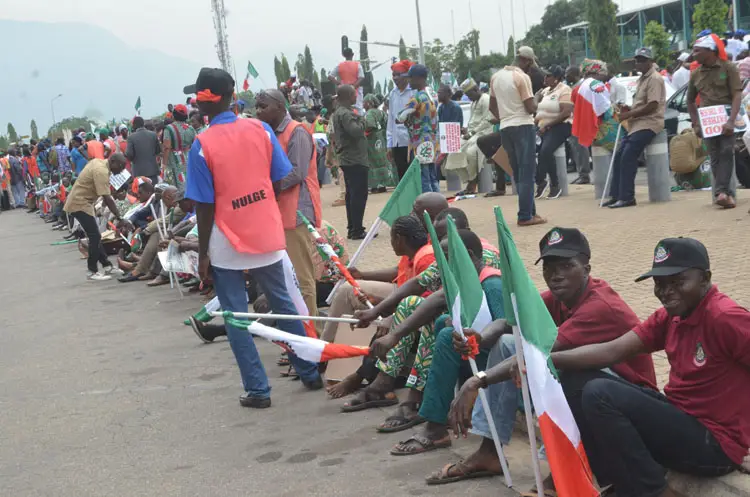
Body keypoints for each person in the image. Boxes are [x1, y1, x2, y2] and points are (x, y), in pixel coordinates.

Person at [438, 228, 658, 489]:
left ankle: (559, 470)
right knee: (506, 343)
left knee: (556, 369)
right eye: (550, 268)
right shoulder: (562, 296)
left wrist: (477, 380)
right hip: (598, 388)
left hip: (631, 398)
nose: (556, 275)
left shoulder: (600, 305)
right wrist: (481, 338)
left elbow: (538, 354)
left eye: (567, 266)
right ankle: (490, 451)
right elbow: (508, 322)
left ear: (586, 268)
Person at [535, 237, 750, 497]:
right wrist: (545, 360)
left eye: (678, 282)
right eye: (660, 283)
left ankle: (655, 492)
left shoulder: (724, 317)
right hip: (681, 420)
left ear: (705, 279)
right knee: (575, 381)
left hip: (715, 444)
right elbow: (613, 350)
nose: (666, 291)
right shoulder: (672, 315)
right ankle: (615, 483)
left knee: (601, 394)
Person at [184, 67, 323, 408]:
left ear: (204, 102)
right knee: (284, 304)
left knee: (235, 315)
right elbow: (279, 178)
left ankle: (258, 390)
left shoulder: (202, 144)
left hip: (225, 240)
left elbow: (203, 206)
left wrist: (203, 254)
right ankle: (309, 371)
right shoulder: (261, 130)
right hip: (266, 231)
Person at [255, 88, 323, 330]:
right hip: (277, 212)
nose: (258, 111)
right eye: (257, 106)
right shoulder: (268, 133)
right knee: (286, 278)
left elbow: (297, 173)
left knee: (301, 278)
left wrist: (264, 189)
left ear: (280, 106)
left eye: (263, 106)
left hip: (296, 212)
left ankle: (310, 335)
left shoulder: (297, 132)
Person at [601, 48, 666, 209]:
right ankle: (616, 195)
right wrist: (628, 109)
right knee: (619, 155)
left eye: (642, 60)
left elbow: (652, 105)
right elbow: (641, 104)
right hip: (636, 124)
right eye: (637, 60)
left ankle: (627, 197)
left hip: (650, 122)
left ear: (650, 62)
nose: (638, 63)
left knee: (628, 155)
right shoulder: (641, 79)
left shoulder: (655, 79)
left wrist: (629, 114)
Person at [688, 35, 743, 209]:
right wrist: (695, 123)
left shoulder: (728, 68)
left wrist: (731, 121)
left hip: (726, 117)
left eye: (698, 50)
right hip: (707, 120)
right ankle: (724, 194)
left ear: (710, 51)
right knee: (714, 155)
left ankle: (722, 192)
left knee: (726, 151)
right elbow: (690, 101)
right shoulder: (696, 73)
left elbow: (736, 95)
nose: (693, 54)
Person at [490, 53, 545, 226]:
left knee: (518, 173)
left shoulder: (496, 77)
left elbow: (492, 106)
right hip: (523, 126)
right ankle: (525, 215)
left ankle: (530, 212)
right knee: (527, 172)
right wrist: (537, 98)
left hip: (506, 128)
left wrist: (505, 118)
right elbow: (530, 108)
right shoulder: (521, 77)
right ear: (527, 62)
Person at [63, 153, 129, 281]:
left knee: (95, 236)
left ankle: (107, 265)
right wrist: (120, 218)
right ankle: (92, 271)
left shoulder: (99, 162)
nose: (121, 170)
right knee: (95, 236)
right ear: (113, 161)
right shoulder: (101, 172)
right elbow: (107, 198)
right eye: (120, 167)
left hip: (83, 202)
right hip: (79, 204)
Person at [332, 84, 369, 240]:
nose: (356, 97)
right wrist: (363, 121)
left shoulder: (339, 113)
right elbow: (355, 131)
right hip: (355, 160)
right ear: (347, 96)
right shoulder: (346, 114)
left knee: (351, 195)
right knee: (358, 195)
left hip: (349, 159)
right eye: (354, 95)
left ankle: (353, 227)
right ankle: (357, 230)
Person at [444, 79, 492, 195]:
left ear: (476, 90)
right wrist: (467, 130)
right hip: (471, 135)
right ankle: (469, 180)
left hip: (484, 134)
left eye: (469, 94)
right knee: (453, 151)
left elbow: (487, 120)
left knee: (471, 153)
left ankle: (472, 182)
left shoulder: (486, 99)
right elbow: (473, 121)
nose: (468, 97)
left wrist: (471, 132)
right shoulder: (473, 102)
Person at [397, 64, 439, 193]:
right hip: (432, 140)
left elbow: (401, 117)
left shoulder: (416, 97)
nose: (408, 81)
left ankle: (429, 206)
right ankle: (439, 204)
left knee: (423, 177)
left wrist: (400, 117)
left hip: (420, 141)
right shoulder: (433, 93)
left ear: (419, 78)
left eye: (411, 78)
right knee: (433, 176)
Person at [534, 66, 573, 200]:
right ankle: (542, 181)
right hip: (542, 126)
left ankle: (550, 184)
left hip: (560, 126)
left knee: (545, 150)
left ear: (556, 79)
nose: (544, 78)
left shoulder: (564, 90)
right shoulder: (544, 92)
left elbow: (566, 112)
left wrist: (547, 125)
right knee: (528, 150)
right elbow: (537, 111)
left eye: (548, 76)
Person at [387, 60, 416, 180]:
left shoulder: (414, 92)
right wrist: (389, 144)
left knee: (413, 175)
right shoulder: (392, 94)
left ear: (406, 76)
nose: (395, 78)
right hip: (397, 142)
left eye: (398, 74)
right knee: (402, 176)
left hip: (412, 141)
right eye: (393, 75)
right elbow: (391, 120)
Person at [363, 94, 396, 193]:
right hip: (384, 140)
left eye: (364, 103)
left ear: (369, 103)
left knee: (374, 163)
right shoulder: (382, 113)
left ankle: (375, 186)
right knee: (384, 161)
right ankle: (384, 184)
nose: (363, 105)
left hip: (373, 141)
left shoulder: (369, 113)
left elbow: (370, 125)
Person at [565, 65, 591, 185]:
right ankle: (581, 173)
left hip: (581, 121)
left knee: (581, 148)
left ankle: (584, 175)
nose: (566, 76)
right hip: (574, 121)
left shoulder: (581, 87)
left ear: (575, 74)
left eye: (568, 74)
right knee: (576, 148)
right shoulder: (573, 87)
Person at [161, 104, 196, 187]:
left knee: (174, 185)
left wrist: (164, 164)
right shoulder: (190, 128)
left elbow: (167, 147)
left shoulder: (169, 128)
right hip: (188, 159)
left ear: (174, 115)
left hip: (174, 160)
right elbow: (194, 145)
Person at [126, 116, 161, 184]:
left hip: (138, 172)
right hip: (153, 171)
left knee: (140, 192)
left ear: (134, 125)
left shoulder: (131, 137)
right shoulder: (153, 135)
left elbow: (129, 154)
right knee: (153, 192)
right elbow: (158, 151)